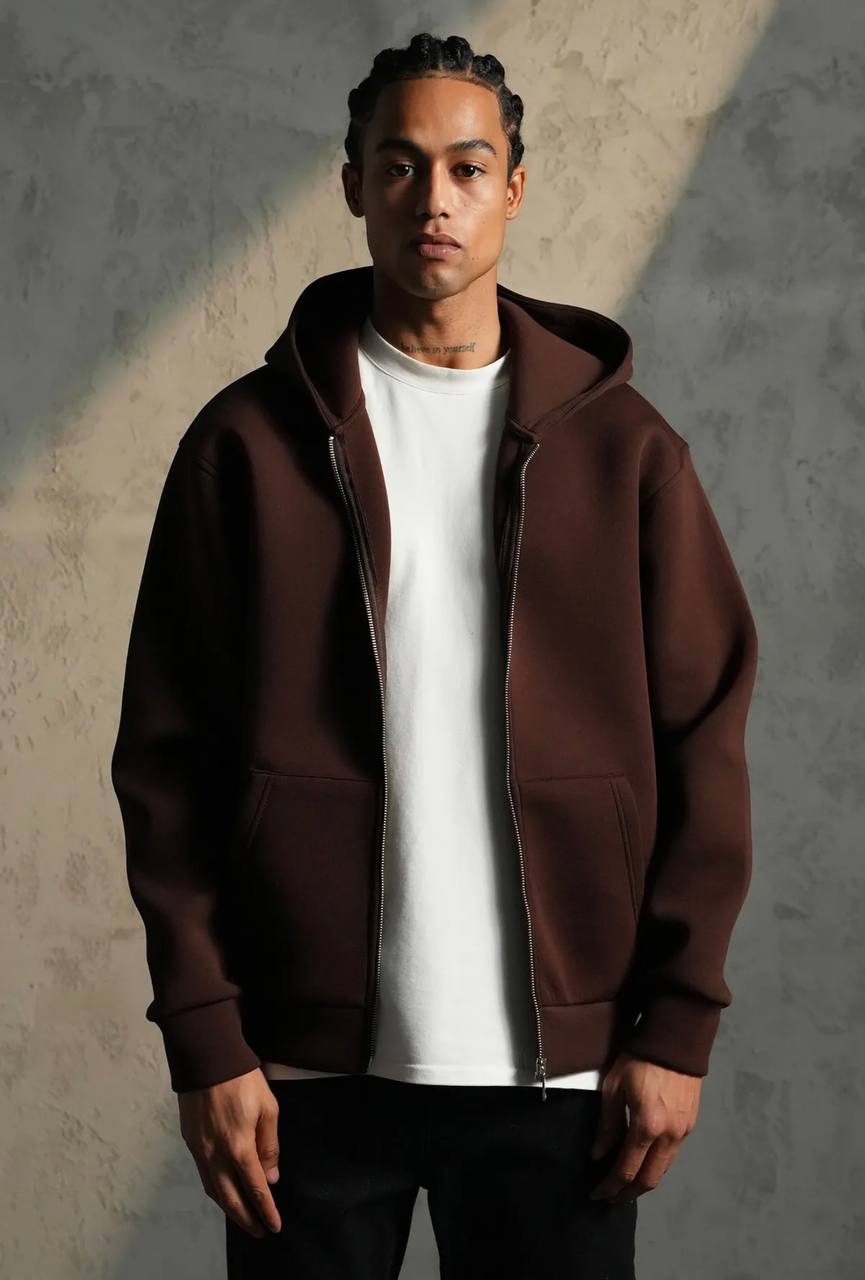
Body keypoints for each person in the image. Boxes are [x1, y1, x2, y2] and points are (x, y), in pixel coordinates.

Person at [110, 31, 759, 1279]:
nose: (433, 200)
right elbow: (165, 759)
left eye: (466, 167)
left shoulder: (626, 451)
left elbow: (705, 736)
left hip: (560, 1077)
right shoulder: (247, 444)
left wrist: (677, 1020)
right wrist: (206, 1034)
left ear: (513, 186)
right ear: (352, 184)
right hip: (300, 1076)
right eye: (399, 166)